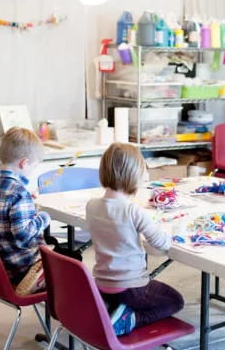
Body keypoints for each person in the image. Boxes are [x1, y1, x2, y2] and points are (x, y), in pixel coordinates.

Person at [86, 142, 183, 336]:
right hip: (131, 287)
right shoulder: (132, 211)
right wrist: (171, 230)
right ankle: (129, 320)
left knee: (148, 296)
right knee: (175, 301)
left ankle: (113, 308)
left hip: (102, 285)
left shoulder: (91, 205)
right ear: (133, 176)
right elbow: (162, 243)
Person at [0, 127, 50, 295]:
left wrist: (26, 202)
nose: (32, 171)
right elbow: (23, 234)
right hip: (22, 272)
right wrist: (43, 218)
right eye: (33, 166)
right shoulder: (18, 193)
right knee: (73, 262)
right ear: (24, 163)